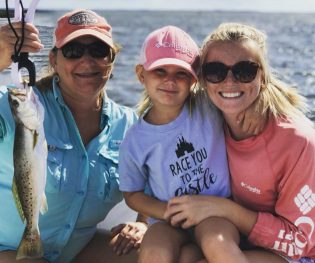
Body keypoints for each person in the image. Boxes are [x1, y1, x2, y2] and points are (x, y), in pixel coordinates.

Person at [0, 9, 148, 263]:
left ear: (112, 60)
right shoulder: (16, 105)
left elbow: (155, 182)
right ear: (54, 60)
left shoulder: (129, 125)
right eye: (73, 51)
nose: (87, 61)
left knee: (172, 253)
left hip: (77, 250)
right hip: (8, 250)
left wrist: (144, 225)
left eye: (99, 51)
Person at [164, 22, 315, 263]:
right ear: (202, 80)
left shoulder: (297, 141)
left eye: (245, 71)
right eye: (215, 71)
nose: (230, 81)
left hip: (299, 253)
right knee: (183, 256)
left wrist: (224, 209)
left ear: (262, 77)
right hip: (244, 238)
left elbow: (300, 242)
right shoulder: (206, 119)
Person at [119, 25, 256, 263]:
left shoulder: (208, 106)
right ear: (141, 74)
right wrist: (167, 212)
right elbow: (132, 194)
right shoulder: (134, 140)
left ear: (194, 79)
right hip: (169, 221)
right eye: (159, 71)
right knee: (154, 250)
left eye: (181, 73)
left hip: (217, 213)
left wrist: (255, 108)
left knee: (217, 242)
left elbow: (240, 94)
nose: (170, 80)